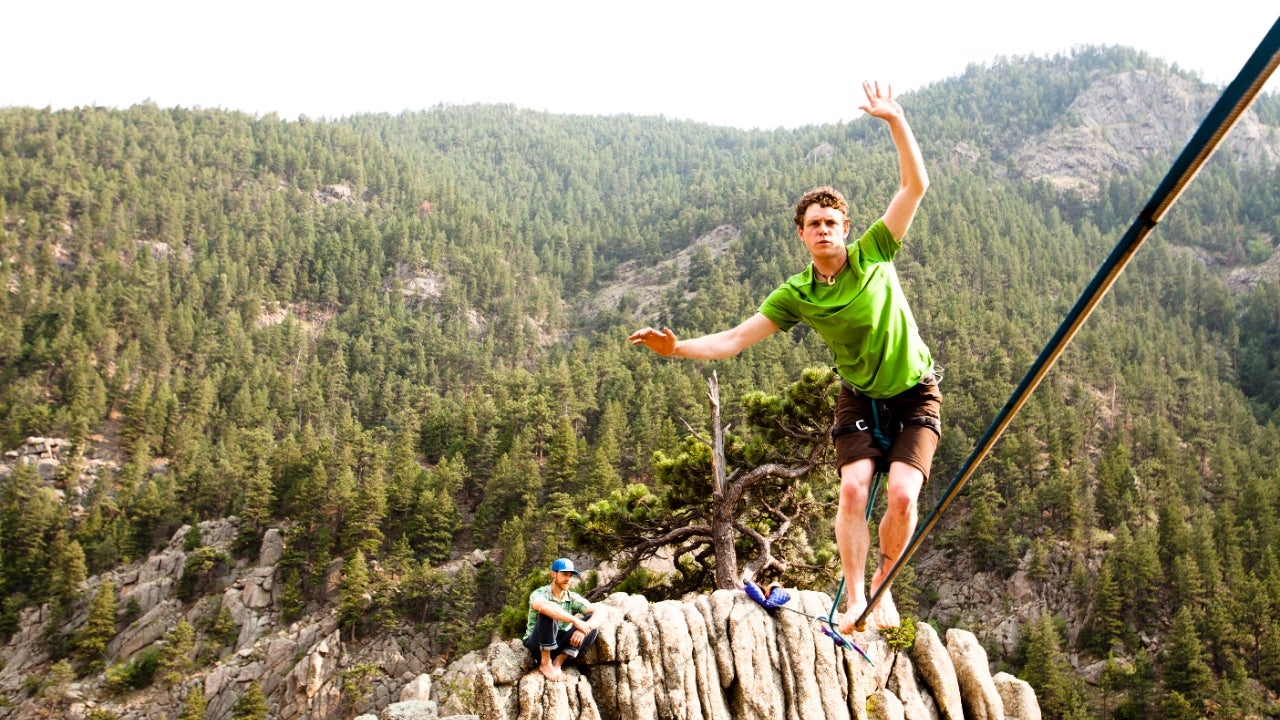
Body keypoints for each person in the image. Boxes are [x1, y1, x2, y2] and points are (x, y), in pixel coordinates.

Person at [628, 81, 938, 633]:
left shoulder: (874, 252)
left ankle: (884, 588)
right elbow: (734, 339)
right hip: (860, 396)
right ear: (801, 234)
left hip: (915, 392)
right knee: (852, 489)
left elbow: (916, 186)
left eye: (832, 222)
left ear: (846, 228)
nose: (824, 230)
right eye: (814, 224)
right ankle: (856, 598)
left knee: (900, 497)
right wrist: (675, 348)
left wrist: (896, 120)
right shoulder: (797, 293)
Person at [523, 558, 600, 681]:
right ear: (553, 574)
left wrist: (583, 630)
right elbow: (542, 607)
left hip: (559, 644)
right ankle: (545, 663)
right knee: (548, 613)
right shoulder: (540, 593)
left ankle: (559, 661)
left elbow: (598, 611)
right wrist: (575, 621)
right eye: (564, 574)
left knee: (593, 625)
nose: (568, 579)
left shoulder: (571, 597)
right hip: (537, 644)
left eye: (570, 575)